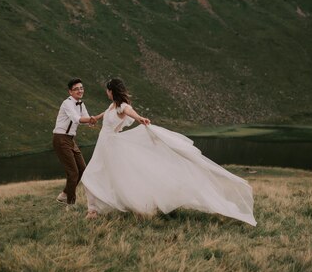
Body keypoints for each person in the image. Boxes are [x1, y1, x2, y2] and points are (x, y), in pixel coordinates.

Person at [80, 78, 257, 226]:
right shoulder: (112, 106)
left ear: (112, 91)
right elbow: (105, 114)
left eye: (107, 90)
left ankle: (96, 210)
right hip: (104, 145)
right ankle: (99, 209)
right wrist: (95, 118)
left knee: (96, 175)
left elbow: (130, 111)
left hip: (112, 146)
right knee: (101, 176)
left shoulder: (122, 107)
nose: (106, 93)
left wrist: (140, 118)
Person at [52, 78, 96, 205]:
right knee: (73, 172)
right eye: (76, 89)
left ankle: (64, 194)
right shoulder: (67, 103)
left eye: (81, 88)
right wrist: (89, 120)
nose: (80, 90)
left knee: (82, 169)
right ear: (70, 92)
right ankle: (70, 202)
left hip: (71, 139)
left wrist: (91, 121)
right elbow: (76, 119)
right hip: (60, 138)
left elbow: (86, 118)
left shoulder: (81, 104)